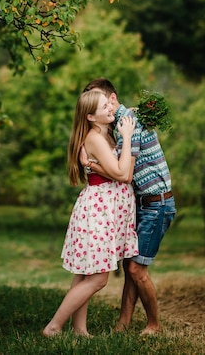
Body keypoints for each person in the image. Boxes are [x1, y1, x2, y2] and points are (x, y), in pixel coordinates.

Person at [81, 78, 176, 335]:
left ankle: (154, 325)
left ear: (112, 98)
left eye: (103, 102)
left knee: (136, 268)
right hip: (144, 203)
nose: (102, 108)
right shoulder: (119, 123)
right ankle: (122, 325)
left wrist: (91, 165)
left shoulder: (127, 124)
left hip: (156, 204)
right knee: (130, 265)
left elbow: (124, 174)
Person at [42, 89, 138, 337]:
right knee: (98, 279)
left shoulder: (103, 134)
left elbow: (112, 171)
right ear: (90, 117)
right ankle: (53, 326)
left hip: (104, 208)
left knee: (84, 273)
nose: (110, 108)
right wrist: (127, 137)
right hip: (99, 211)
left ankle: (79, 329)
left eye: (109, 103)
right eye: (104, 106)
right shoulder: (95, 137)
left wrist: (92, 163)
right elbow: (120, 172)